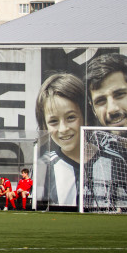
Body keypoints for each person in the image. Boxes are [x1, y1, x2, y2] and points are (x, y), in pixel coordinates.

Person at [35, 72, 89, 206]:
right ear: (44, 125)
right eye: (53, 121)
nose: (63, 128)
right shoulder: (43, 167)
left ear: (85, 115)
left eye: (71, 117)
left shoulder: (113, 161)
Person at [86, 53, 127, 141]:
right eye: (101, 101)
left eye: (119, 95)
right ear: (93, 110)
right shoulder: (93, 152)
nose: (112, 109)